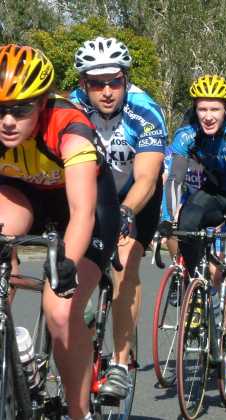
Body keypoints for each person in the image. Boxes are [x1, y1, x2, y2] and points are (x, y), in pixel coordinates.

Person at [0, 44, 119, 419]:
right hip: (24, 198)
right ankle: (11, 341)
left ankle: (79, 412)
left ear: (42, 103)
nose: (8, 121)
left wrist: (65, 264)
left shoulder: (70, 127)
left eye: (20, 109)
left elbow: (82, 212)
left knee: (61, 310)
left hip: (83, 209)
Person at [71, 37, 166, 400]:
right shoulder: (72, 108)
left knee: (124, 263)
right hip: (92, 194)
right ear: (84, 84)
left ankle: (121, 364)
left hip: (137, 197)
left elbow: (147, 178)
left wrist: (125, 212)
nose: (107, 91)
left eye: (115, 81)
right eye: (97, 84)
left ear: (126, 79)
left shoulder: (145, 111)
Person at [160, 74, 226, 392]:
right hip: (214, 193)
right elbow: (175, 178)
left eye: (215, 109)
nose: (207, 116)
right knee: (187, 223)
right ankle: (196, 291)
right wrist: (166, 219)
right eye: (202, 109)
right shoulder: (187, 132)